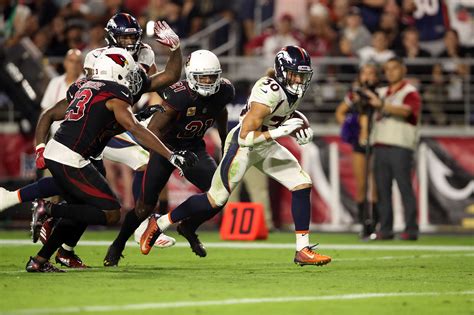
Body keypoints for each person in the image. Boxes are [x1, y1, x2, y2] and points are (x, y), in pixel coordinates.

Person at [0, 13, 182, 267]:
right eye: (124, 37)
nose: (130, 42)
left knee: (82, 196)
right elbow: (104, 105)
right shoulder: (105, 74)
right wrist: (169, 154)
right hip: (91, 135)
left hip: (106, 126)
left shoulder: (121, 73)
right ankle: (139, 226)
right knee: (124, 177)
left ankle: (55, 251)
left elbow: (148, 84)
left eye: (133, 37)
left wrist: (174, 50)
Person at [140, 45, 332, 267]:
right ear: (281, 72)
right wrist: (280, 132)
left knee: (301, 183)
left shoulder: (288, 89)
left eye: (302, 75)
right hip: (244, 145)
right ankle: (160, 222)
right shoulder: (269, 90)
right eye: (295, 75)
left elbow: (286, 111)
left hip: (265, 143)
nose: (299, 80)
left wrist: (301, 125)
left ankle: (302, 249)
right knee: (215, 199)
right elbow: (245, 136)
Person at [25, 47, 197, 272]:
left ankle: (39, 260)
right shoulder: (116, 93)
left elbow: (53, 115)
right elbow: (133, 128)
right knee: (111, 213)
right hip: (71, 158)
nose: (133, 75)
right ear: (116, 71)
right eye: (128, 70)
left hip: (59, 152)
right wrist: (171, 155)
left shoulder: (85, 87)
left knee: (80, 209)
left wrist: (40, 148)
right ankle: (48, 210)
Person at [103, 50, 234, 266]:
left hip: (193, 148)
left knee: (219, 195)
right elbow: (152, 131)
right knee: (144, 207)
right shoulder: (179, 95)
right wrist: (171, 154)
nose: (209, 81)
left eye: (212, 76)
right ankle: (118, 244)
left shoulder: (224, 90)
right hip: (166, 149)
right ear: (191, 76)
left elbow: (220, 111)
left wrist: (224, 140)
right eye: (204, 77)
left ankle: (188, 226)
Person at [363, 57, 422, 241]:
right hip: (380, 144)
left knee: (405, 188)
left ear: (403, 70)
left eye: (394, 68)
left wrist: (382, 105)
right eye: (387, 69)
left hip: (400, 146)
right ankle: (386, 228)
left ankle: (411, 229)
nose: (390, 72)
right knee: (382, 190)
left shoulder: (410, 92)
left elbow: (407, 112)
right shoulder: (382, 91)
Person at [335, 64, 379, 239]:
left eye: (372, 73)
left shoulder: (381, 93)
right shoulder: (354, 95)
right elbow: (339, 113)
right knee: (361, 185)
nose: (368, 76)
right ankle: (363, 224)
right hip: (359, 145)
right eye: (365, 73)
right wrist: (351, 128)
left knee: (375, 187)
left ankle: (375, 224)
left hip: (377, 143)